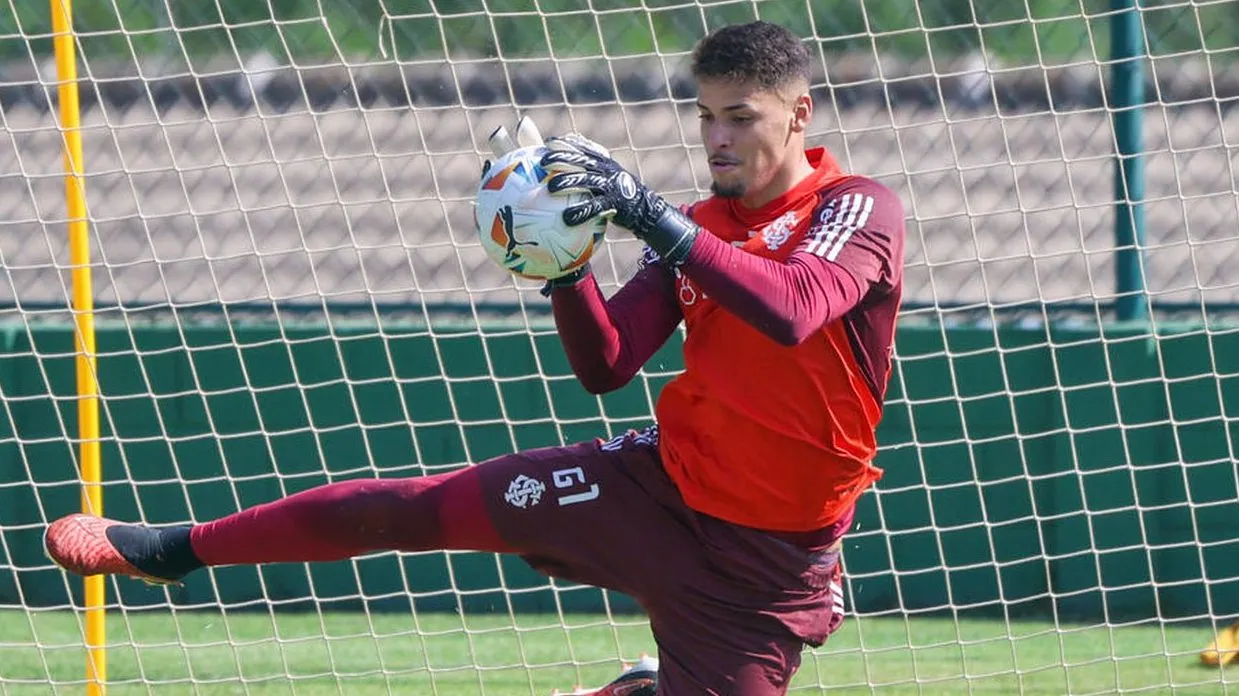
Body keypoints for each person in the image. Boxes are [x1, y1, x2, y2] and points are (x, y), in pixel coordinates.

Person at [44, 20, 905, 696]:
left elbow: (794, 309)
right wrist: (563, 269)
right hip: (657, 486)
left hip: (764, 564)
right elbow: (606, 367)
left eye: (740, 118)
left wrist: (646, 215)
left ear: (798, 114)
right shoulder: (699, 228)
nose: (716, 138)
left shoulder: (855, 207)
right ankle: (171, 547)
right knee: (419, 509)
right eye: (705, 117)